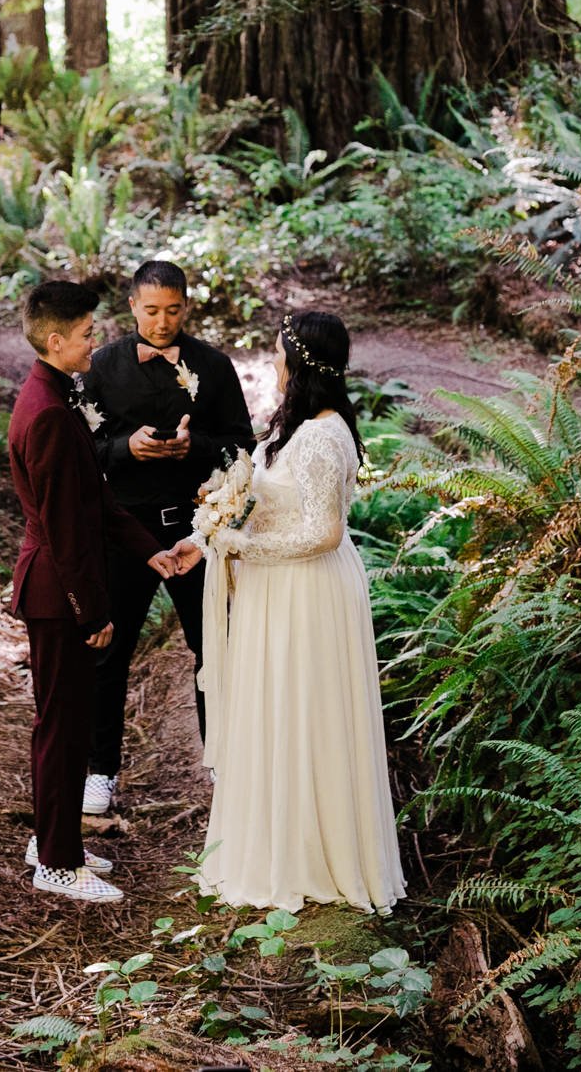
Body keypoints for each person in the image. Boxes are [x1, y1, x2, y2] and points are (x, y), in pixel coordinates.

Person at [195, 310, 404, 914]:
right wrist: (225, 513)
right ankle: (280, 841)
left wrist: (243, 545)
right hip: (276, 588)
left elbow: (323, 532)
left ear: (301, 362)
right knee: (279, 708)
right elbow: (272, 502)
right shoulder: (298, 426)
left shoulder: (319, 436)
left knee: (304, 709)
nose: (274, 360)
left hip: (305, 590)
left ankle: (313, 854)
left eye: (280, 351)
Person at [7, 279, 193, 903]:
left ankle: (53, 837)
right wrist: (94, 612)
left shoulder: (57, 393)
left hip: (61, 585)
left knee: (68, 720)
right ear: (56, 340)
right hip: (60, 591)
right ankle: (57, 864)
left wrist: (151, 548)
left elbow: (99, 501)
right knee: (63, 726)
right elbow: (67, 530)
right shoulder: (52, 414)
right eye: (88, 332)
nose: (97, 339)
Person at [75, 259, 254, 816]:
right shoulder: (99, 367)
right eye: (151, 311)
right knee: (110, 653)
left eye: (173, 310)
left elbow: (242, 447)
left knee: (214, 649)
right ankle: (100, 773)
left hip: (197, 532)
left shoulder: (214, 366)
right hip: (124, 531)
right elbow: (80, 451)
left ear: (187, 306)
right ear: (132, 306)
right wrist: (126, 449)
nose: (161, 321)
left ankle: (224, 769)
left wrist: (193, 447)